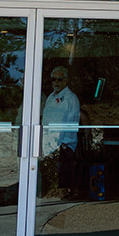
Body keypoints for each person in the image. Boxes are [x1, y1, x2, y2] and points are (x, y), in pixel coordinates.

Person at [41, 64, 81, 199]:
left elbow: (72, 121)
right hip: (49, 142)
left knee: (65, 172)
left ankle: (66, 194)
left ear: (66, 80)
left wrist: (64, 143)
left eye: (59, 79)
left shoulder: (71, 98)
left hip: (64, 142)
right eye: (53, 79)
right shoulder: (50, 98)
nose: (56, 82)